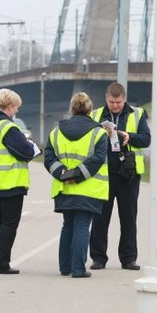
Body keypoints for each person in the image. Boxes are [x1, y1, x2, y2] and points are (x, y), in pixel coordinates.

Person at [44, 92, 109, 278]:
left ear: (71, 108)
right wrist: (77, 175)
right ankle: (78, 269)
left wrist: (63, 174)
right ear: (90, 109)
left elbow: (49, 157)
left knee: (68, 225)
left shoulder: (56, 132)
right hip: (88, 189)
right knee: (82, 226)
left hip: (64, 188)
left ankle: (65, 267)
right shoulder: (99, 133)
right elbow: (97, 160)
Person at [0, 88, 38, 274]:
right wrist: (33, 148)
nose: (17, 111)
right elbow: (25, 152)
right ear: (9, 107)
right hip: (10, 182)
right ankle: (0, 263)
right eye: (16, 107)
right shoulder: (7, 127)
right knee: (9, 224)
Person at [89, 82, 151, 271]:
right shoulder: (95, 115)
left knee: (129, 218)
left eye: (119, 102)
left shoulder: (137, 114)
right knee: (100, 218)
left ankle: (128, 258)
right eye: (112, 102)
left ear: (124, 99)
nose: (115, 105)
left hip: (128, 174)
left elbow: (146, 139)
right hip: (104, 174)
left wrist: (129, 136)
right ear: (106, 99)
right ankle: (98, 258)